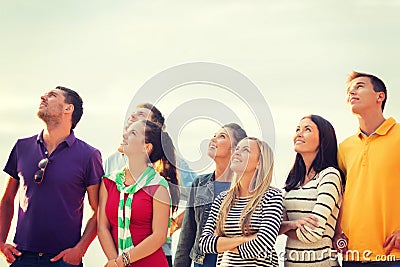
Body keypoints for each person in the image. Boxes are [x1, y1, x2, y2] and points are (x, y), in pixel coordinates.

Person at [0, 86, 104, 266]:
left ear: (68, 108)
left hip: (63, 260)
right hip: (22, 257)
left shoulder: (89, 155)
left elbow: (99, 209)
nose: (43, 97)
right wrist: (1, 243)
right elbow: (7, 199)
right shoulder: (21, 147)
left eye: (52, 95)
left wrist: (80, 250)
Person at [102, 103, 195, 266]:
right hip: (117, 258)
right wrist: (115, 262)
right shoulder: (110, 167)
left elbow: (199, 194)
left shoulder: (165, 173)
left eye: (140, 115)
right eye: (132, 113)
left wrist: (173, 224)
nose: (132, 116)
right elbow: (102, 222)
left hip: (153, 254)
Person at [334, 71, 400, 266]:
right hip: (351, 255)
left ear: (380, 96)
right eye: (349, 90)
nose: (351, 92)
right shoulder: (345, 147)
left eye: (359, 86)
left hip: (392, 254)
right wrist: (338, 233)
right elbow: (341, 195)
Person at [199, 137, 283, 267]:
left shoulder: (272, 196)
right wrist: (245, 239)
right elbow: (205, 243)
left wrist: (223, 244)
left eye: (246, 150)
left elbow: (263, 243)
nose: (236, 152)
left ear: (259, 162)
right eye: (237, 149)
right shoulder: (222, 199)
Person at [174, 123, 247, 267]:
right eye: (214, 135)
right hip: (202, 263)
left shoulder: (247, 187)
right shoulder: (200, 183)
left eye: (221, 136)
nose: (212, 140)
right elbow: (187, 235)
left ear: (235, 149)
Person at [279, 115, 343, 266]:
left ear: (323, 140)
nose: (299, 134)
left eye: (307, 129)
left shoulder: (330, 175)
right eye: (298, 129)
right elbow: (272, 226)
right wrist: (293, 225)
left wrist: (285, 226)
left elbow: (311, 234)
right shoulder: (294, 180)